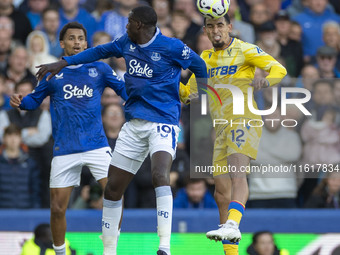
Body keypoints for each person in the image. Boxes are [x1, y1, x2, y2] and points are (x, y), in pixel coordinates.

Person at [35, 6, 207, 255]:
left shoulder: (171, 47)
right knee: (113, 189)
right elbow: (97, 51)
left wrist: (198, 93)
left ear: (139, 25)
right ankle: (110, 250)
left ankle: (164, 246)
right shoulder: (126, 42)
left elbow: (200, 66)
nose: (125, 26)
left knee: (160, 175)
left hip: (164, 122)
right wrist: (63, 62)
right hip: (134, 125)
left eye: (128, 23)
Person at [10, 22, 127, 255]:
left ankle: (110, 248)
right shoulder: (53, 72)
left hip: (96, 145)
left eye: (81, 38)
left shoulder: (100, 69)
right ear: (62, 44)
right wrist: (22, 101)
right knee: (57, 208)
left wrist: (139, 98)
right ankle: (60, 252)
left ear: (86, 43)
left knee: (115, 193)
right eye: (71, 38)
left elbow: (124, 91)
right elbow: (34, 101)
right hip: (65, 148)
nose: (77, 42)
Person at [180, 14, 286, 255]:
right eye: (210, 26)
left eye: (219, 25)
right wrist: (169, 76)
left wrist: (266, 83)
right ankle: (230, 250)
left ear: (229, 27)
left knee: (238, 174)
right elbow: (188, 95)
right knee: (221, 193)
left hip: (244, 118)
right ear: (205, 32)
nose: (215, 30)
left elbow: (279, 69)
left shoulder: (246, 49)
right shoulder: (204, 59)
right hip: (220, 128)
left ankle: (233, 224)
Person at [0, 124, 41, 208]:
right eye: (9, 135)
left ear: (20, 139)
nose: (13, 139)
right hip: (3, 213)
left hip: (26, 213)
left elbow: (36, 191)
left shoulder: (30, 163)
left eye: (16, 135)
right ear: (4, 139)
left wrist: (35, 211)